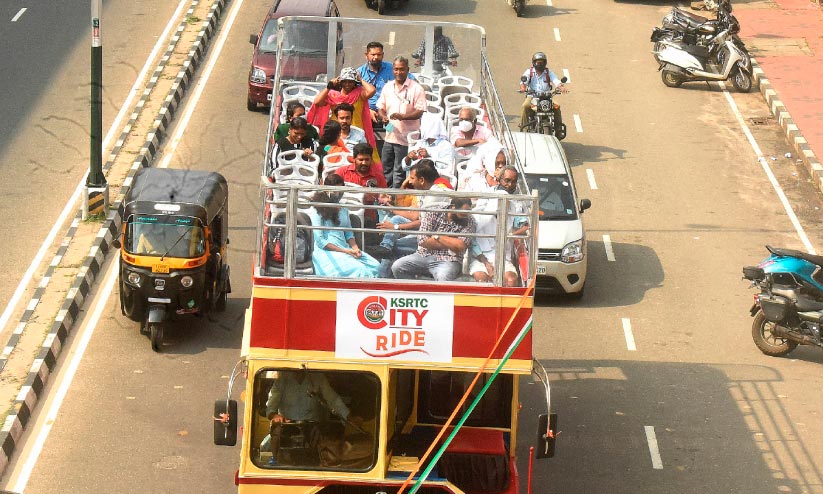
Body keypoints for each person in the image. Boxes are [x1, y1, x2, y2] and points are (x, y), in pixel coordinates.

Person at [261, 369, 352, 467]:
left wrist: (348, 417)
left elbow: (333, 400)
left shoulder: (318, 378)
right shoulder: (282, 379)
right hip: (286, 429)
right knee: (264, 449)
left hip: (313, 430)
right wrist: (275, 416)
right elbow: (270, 407)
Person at [373, 160, 450, 259]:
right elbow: (415, 215)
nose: (409, 181)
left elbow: (422, 222)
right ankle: (385, 247)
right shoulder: (423, 191)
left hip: (432, 236)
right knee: (396, 219)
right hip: (423, 229)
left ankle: (384, 259)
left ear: (421, 180)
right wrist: (391, 207)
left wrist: (395, 227)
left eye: (412, 178)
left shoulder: (434, 196)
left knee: (395, 246)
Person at [309, 174, 380, 278]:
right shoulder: (317, 209)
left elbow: (349, 234)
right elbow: (320, 241)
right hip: (327, 252)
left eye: (341, 189)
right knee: (360, 270)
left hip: (346, 249)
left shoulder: (344, 210)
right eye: (335, 190)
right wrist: (345, 251)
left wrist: (355, 249)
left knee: (376, 267)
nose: (338, 193)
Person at [391, 196, 476, 282]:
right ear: (453, 207)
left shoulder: (469, 220)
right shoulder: (434, 212)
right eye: (462, 214)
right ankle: (417, 291)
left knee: (444, 277)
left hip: (450, 259)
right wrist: (451, 242)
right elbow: (422, 240)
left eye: (467, 213)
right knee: (397, 266)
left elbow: (461, 246)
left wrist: (437, 236)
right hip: (424, 255)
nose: (464, 217)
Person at [470, 165, 529, 287]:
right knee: (482, 281)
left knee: (511, 281)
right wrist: (487, 264)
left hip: (503, 255)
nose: (509, 185)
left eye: (513, 182)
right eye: (507, 180)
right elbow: (473, 235)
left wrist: (509, 235)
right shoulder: (487, 198)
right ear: (499, 179)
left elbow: (524, 227)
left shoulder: (516, 203)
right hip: (480, 257)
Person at [376, 56, 426, 188]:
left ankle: (395, 200)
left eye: (402, 69)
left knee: (399, 171)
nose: (399, 72)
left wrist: (403, 116)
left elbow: (420, 111)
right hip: (390, 134)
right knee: (386, 167)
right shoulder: (388, 87)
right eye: (396, 69)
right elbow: (380, 107)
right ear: (393, 70)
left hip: (406, 137)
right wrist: (383, 117)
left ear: (408, 70)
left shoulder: (416, 88)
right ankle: (385, 197)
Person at [307, 67, 379, 153]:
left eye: (350, 81)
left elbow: (372, 91)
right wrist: (329, 87)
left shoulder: (359, 93)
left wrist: (360, 79)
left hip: (354, 132)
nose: (347, 84)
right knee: (328, 151)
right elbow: (317, 102)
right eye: (345, 81)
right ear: (340, 82)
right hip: (335, 132)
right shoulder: (333, 95)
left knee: (357, 153)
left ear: (355, 82)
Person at [519, 51, 566, 133]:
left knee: (557, 106)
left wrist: (561, 87)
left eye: (542, 62)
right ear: (534, 63)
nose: (540, 64)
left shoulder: (549, 72)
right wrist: (523, 88)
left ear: (545, 63)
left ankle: (558, 128)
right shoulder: (529, 72)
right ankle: (524, 127)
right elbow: (523, 81)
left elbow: (555, 80)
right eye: (538, 62)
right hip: (532, 96)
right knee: (525, 106)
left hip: (547, 97)